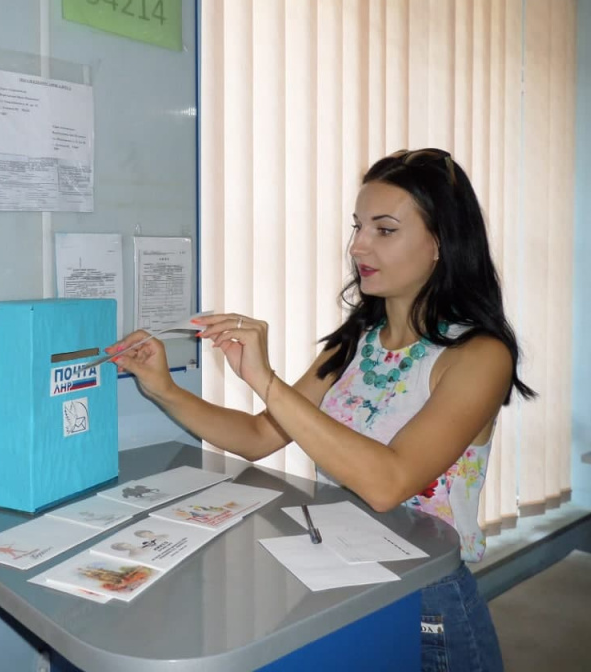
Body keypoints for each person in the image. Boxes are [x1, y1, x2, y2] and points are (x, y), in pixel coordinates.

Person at [109, 148, 535, 672]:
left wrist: (265, 380)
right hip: (339, 575)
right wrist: (162, 386)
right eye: (358, 227)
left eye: (384, 230)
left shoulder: (478, 356)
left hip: (425, 600)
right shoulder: (358, 342)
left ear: (440, 244)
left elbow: (389, 481)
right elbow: (259, 435)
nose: (358, 245)